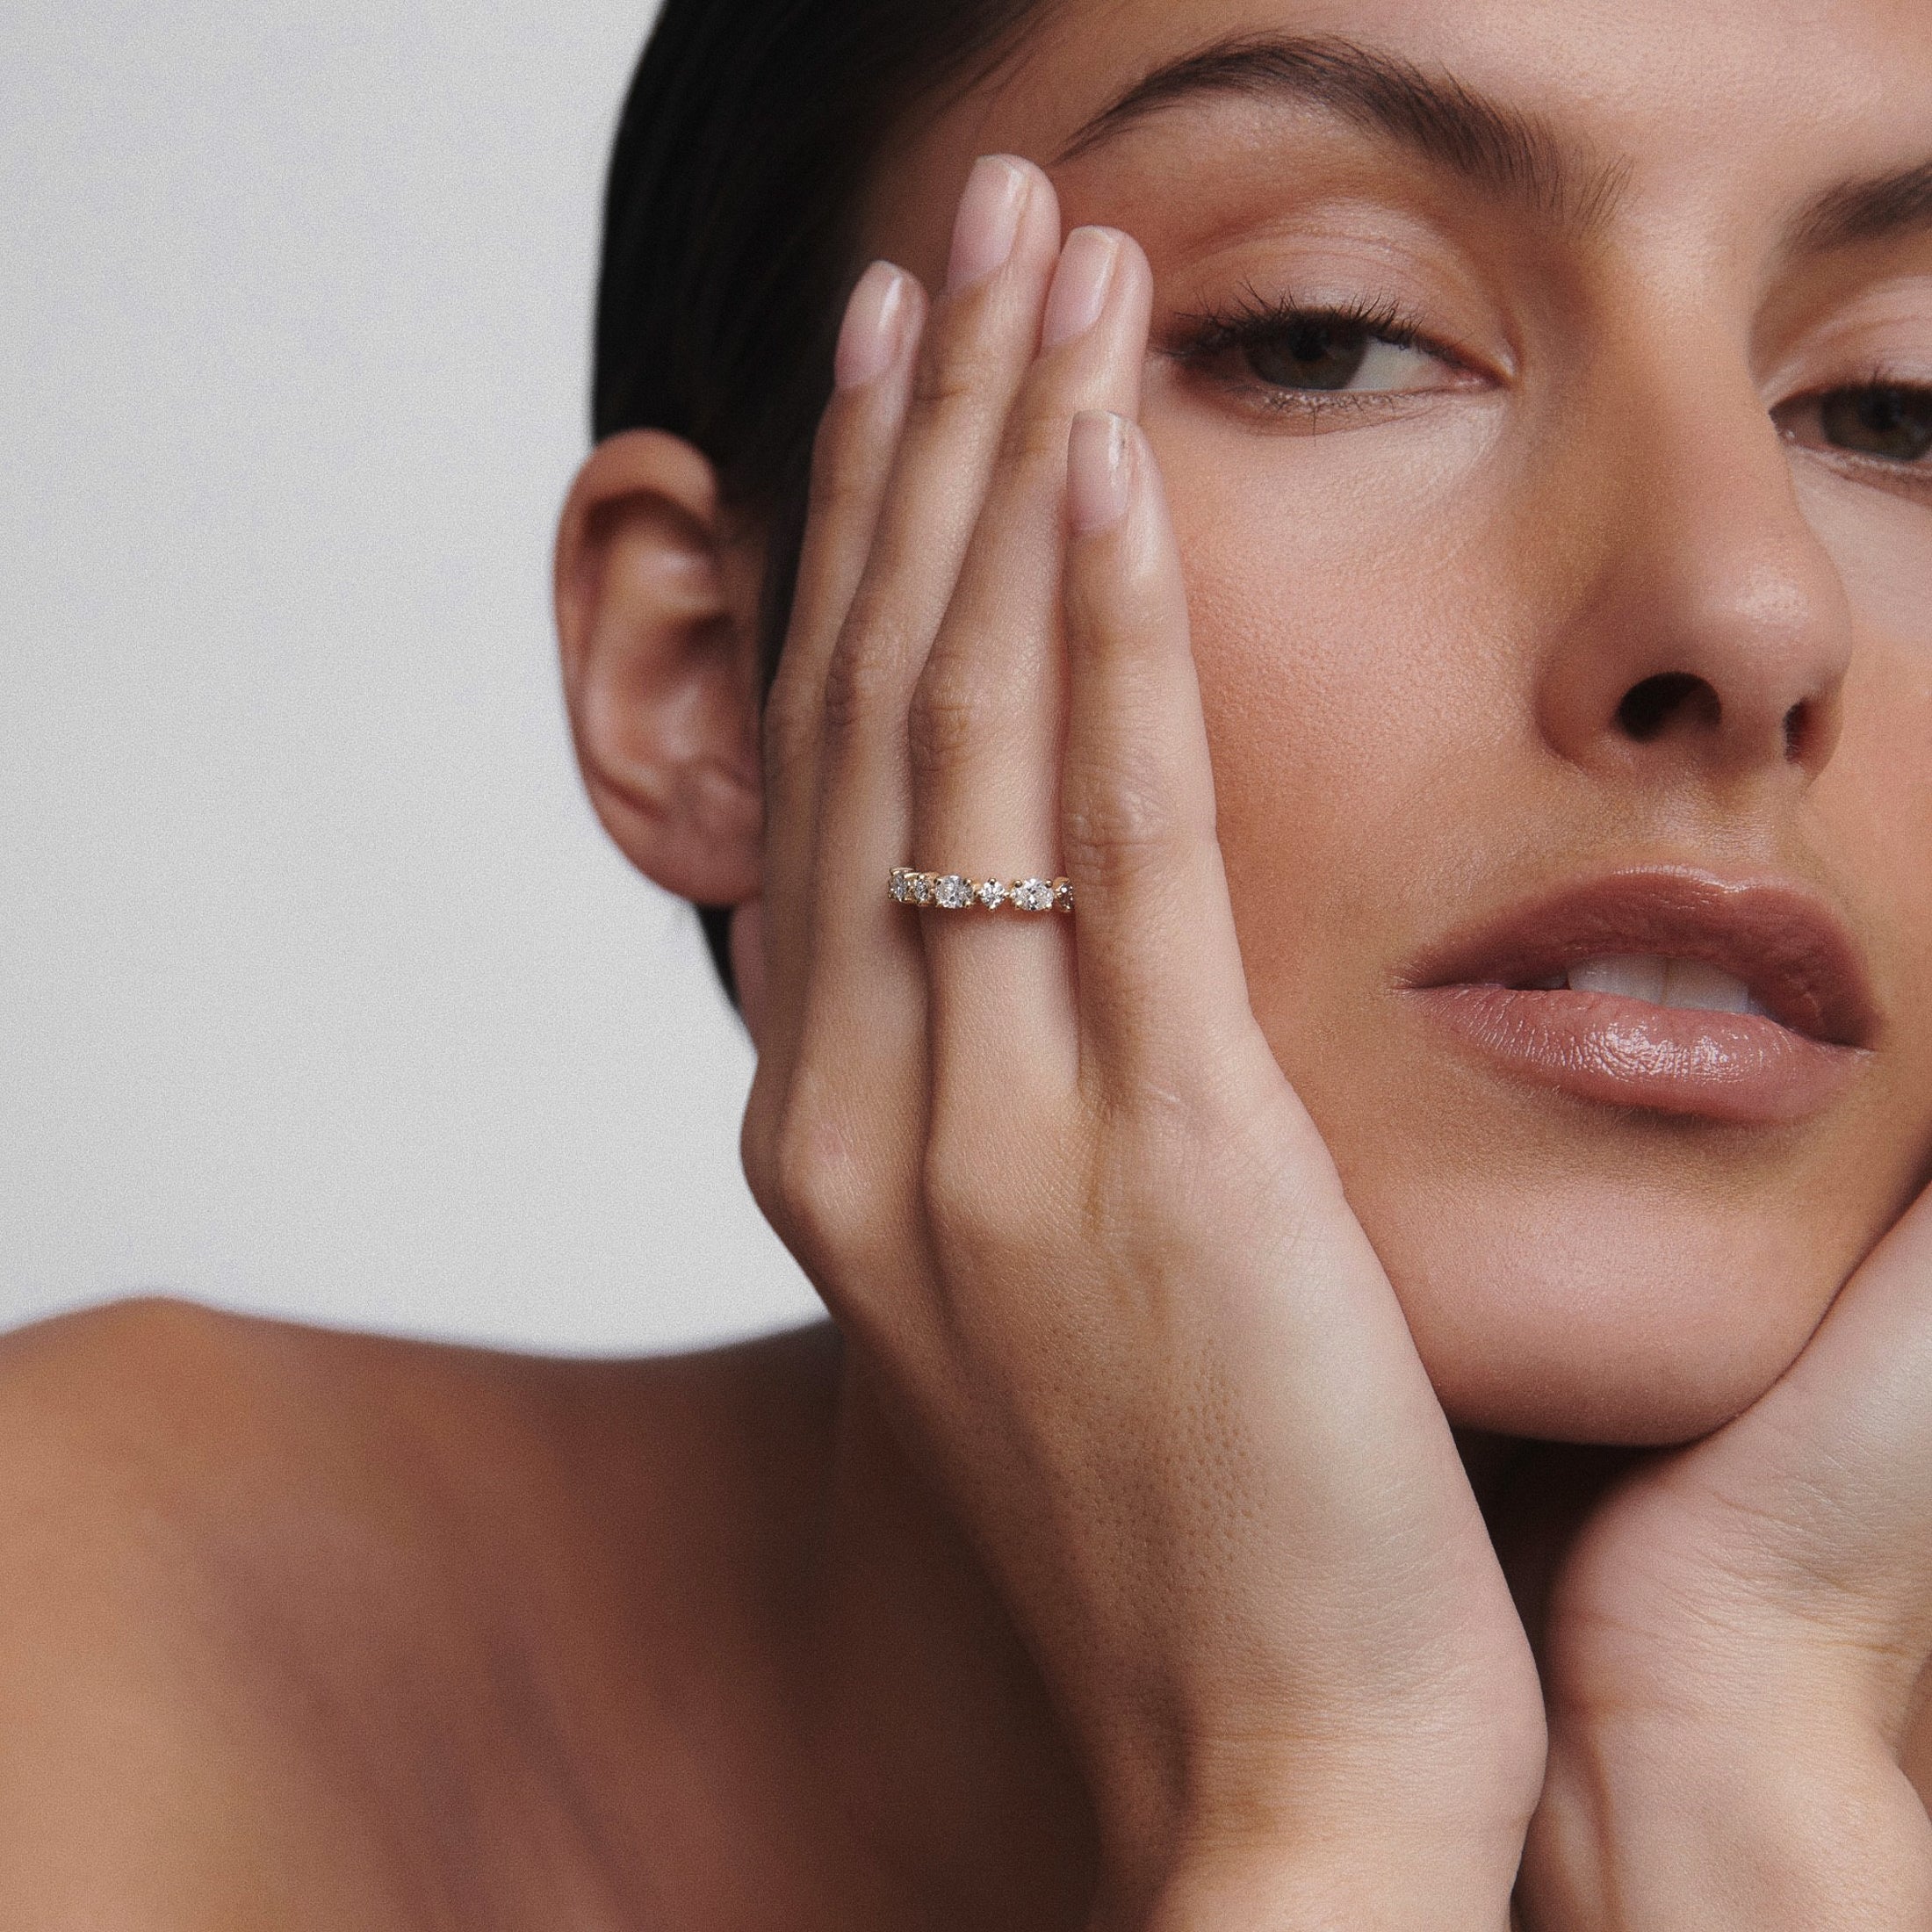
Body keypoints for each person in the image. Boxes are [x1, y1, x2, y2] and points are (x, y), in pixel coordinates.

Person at [4, 0, 1930, 1923]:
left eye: (1892, 411)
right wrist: (1322, 1799)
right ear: (701, 687)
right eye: (1320, 337)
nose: (1748, 605)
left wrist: (1751, 1790)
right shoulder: (111, 1619)